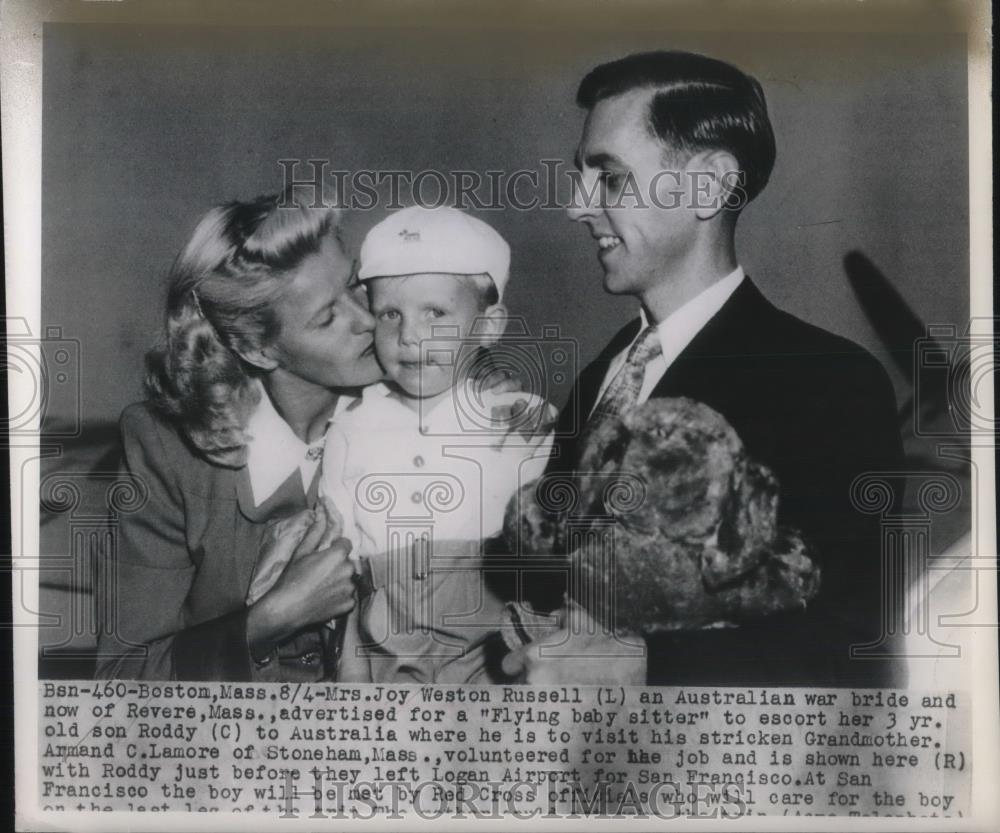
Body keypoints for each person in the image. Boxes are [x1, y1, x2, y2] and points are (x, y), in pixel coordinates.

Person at [503, 50, 904, 687]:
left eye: (608, 177)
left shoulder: (829, 384)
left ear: (710, 186)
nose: (578, 206)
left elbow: (852, 647)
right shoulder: (602, 377)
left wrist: (641, 668)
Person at [95, 193, 382, 681]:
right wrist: (269, 619)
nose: (369, 319)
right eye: (328, 317)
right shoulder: (166, 448)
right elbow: (120, 679)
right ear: (258, 347)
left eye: (356, 285)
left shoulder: (418, 407)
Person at [319, 206, 554, 683]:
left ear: (488, 326)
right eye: (390, 313)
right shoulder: (349, 427)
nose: (409, 336)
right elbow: (341, 571)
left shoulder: (524, 423)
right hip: (386, 665)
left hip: (495, 660)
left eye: (436, 313)